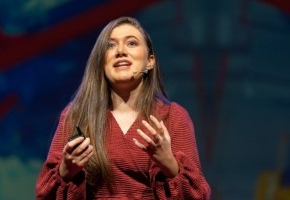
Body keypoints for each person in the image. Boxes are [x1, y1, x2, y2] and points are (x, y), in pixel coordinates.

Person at [36, 16, 211, 199]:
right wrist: (66, 169)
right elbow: (44, 194)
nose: (120, 51)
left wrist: (169, 164)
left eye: (132, 43)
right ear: (101, 62)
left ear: (150, 61)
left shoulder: (173, 117)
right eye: (110, 46)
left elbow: (197, 195)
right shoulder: (77, 116)